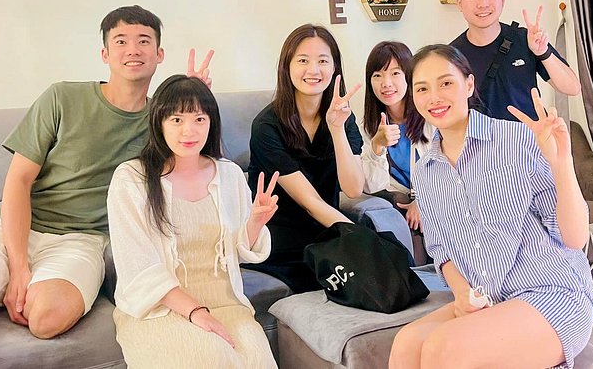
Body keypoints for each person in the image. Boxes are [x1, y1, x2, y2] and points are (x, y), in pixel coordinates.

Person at [0, 5, 213, 368]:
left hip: (84, 241)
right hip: (18, 229)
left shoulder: (164, 122)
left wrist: (193, 102)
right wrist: (19, 267)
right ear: (105, 54)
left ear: (159, 54)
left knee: (46, 319)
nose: (133, 49)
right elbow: (18, 180)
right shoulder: (61, 98)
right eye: (121, 41)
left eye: (144, 41)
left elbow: (196, 174)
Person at [389, 45, 593, 369]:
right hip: (491, 298)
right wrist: (462, 295)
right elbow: (441, 250)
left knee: (443, 349)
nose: (434, 97)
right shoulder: (425, 172)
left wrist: (562, 164)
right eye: (422, 89)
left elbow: (575, 239)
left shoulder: (517, 138)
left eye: (446, 83)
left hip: (553, 292)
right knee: (406, 346)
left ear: (469, 84)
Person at [106, 75, 278, 368]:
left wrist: (255, 223)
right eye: (177, 120)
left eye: (199, 119)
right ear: (159, 122)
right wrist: (196, 311)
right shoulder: (131, 179)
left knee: (259, 362)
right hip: (160, 307)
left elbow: (238, 251)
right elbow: (137, 265)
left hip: (227, 302)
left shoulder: (229, 174)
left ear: (211, 123)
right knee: (213, 359)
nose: (189, 130)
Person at [244, 24, 365, 292]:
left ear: (335, 68)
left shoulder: (342, 117)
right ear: (286, 67)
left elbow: (354, 188)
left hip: (326, 231)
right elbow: (310, 202)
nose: (313, 70)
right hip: (281, 242)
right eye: (302, 61)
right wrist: (359, 238)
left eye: (322, 61)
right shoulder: (267, 126)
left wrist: (337, 129)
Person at [450, 0, 581, 121]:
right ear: (459, 3)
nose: (483, 4)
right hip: (479, 138)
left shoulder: (525, 39)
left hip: (531, 136)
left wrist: (543, 52)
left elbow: (573, 88)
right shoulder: (451, 56)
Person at [361, 41, 433, 233]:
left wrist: (423, 201)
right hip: (400, 205)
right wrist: (376, 147)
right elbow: (372, 186)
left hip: (439, 199)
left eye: (395, 73)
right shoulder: (369, 127)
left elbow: (451, 168)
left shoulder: (430, 116)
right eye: (377, 75)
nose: (386, 83)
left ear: (410, 76)